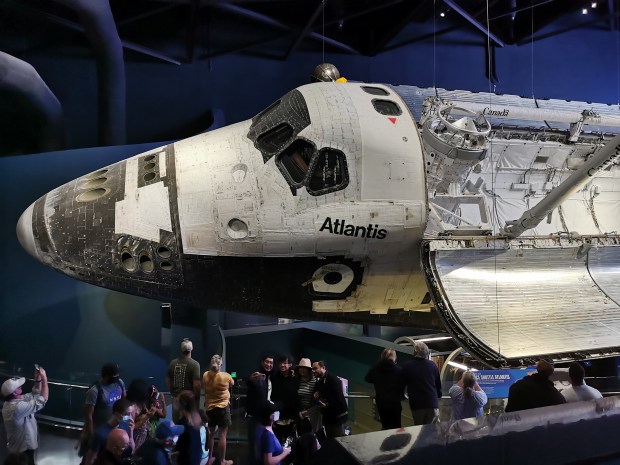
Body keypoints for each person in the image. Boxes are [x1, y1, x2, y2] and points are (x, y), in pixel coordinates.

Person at [1, 366, 49, 465]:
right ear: (14, 392)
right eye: (18, 387)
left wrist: (37, 379)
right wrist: (44, 379)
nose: (21, 386)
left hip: (17, 448)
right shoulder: (16, 408)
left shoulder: (11, 402)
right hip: (23, 450)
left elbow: (35, 394)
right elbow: (42, 399)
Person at [80, 362, 126, 457]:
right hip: (99, 430)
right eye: (115, 375)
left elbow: (123, 400)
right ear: (107, 376)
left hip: (115, 428)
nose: (117, 377)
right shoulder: (95, 391)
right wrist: (91, 436)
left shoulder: (120, 383)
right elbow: (88, 415)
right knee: (95, 456)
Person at [83, 398, 135, 465]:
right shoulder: (100, 434)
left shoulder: (124, 428)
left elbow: (131, 450)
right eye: (127, 414)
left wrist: (131, 432)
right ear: (117, 414)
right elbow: (90, 459)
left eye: (131, 414)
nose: (130, 417)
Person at [203, 354, 234, 465]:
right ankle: (222, 461)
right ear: (220, 364)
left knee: (210, 435)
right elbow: (232, 384)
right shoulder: (226, 376)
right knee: (222, 435)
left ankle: (209, 459)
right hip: (222, 408)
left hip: (209, 408)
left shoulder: (205, 375)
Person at [401, 341, 442, 425]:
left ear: (414, 352)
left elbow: (402, 384)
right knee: (433, 429)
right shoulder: (433, 365)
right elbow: (438, 385)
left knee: (419, 429)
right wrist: (438, 395)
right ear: (427, 353)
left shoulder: (407, 366)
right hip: (432, 403)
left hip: (417, 405)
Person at [364, 348, 405, 430]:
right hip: (394, 403)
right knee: (396, 427)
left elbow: (367, 379)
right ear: (394, 357)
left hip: (381, 402)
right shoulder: (399, 370)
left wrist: (378, 381)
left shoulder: (375, 368)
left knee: (385, 425)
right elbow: (403, 383)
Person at [246, 354, 274, 458]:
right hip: (256, 416)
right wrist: (251, 381)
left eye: (271, 362)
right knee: (254, 444)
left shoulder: (272, 377)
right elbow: (250, 389)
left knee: (266, 443)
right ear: (262, 362)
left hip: (268, 415)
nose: (269, 364)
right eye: (267, 362)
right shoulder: (256, 376)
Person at [311, 361, 348, 439]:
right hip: (327, 417)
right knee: (330, 439)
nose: (313, 371)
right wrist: (316, 397)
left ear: (323, 368)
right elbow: (315, 394)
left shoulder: (334, 379)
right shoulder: (319, 381)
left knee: (338, 440)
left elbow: (338, 398)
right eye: (312, 369)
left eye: (315, 368)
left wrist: (327, 404)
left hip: (337, 417)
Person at [167, 338, 201, 423]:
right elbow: (196, 385)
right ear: (191, 349)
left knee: (177, 425)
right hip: (189, 401)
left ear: (181, 349)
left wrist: (173, 393)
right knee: (189, 425)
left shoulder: (173, 363)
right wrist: (197, 399)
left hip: (176, 399)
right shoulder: (195, 364)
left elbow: (168, 381)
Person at [126, 378, 157, 450]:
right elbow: (132, 427)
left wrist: (150, 411)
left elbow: (145, 414)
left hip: (144, 436)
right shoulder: (131, 407)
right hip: (136, 438)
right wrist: (147, 417)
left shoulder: (142, 403)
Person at [174, 390, 203, 465]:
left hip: (187, 459)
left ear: (182, 404)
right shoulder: (196, 418)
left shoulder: (183, 422)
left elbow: (179, 444)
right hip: (196, 457)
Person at [296, 358, 321, 434]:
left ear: (309, 369)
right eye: (301, 368)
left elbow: (317, 398)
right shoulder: (296, 380)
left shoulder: (315, 380)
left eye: (305, 368)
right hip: (300, 413)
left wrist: (308, 411)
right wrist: (300, 411)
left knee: (312, 434)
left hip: (312, 412)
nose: (302, 370)